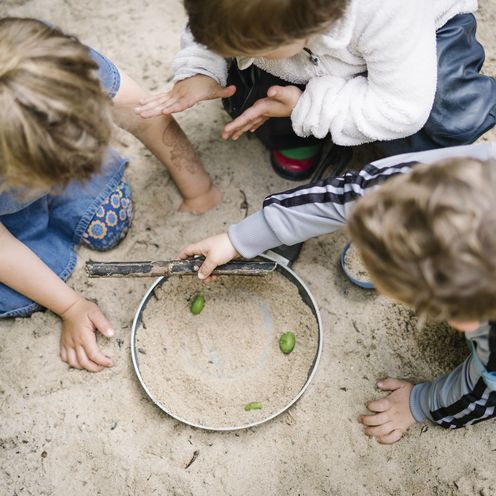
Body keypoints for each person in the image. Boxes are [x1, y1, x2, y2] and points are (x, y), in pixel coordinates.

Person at [178, 142, 496, 443]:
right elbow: (348, 196)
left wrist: (420, 403)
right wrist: (239, 239)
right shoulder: (427, 182)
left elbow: (482, 394)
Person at [0, 17, 219, 372]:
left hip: (46, 163)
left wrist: (199, 189)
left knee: (109, 222)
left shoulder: (57, 67)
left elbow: (146, 117)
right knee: (19, 298)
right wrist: (71, 306)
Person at [135, 0, 496, 181]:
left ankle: (406, 164)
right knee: (248, 86)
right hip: (299, 47)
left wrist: (305, 106)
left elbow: (402, 106)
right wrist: (202, 66)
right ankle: (297, 132)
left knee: (443, 111)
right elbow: (215, 22)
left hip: (423, 37)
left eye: (251, 47)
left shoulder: (390, 8)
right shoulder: (250, 14)